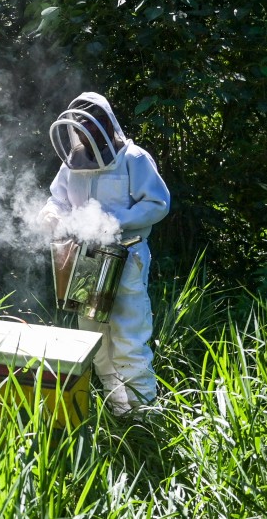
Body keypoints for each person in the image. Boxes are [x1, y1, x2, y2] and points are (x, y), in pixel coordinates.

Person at [40, 91, 171, 415]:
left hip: (126, 255)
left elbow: (158, 204)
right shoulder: (73, 161)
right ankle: (119, 411)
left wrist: (113, 221)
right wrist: (50, 214)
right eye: (79, 125)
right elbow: (57, 198)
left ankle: (142, 417)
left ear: (104, 124)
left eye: (89, 124)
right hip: (85, 257)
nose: (84, 131)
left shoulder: (133, 158)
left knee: (128, 337)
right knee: (94, 338)